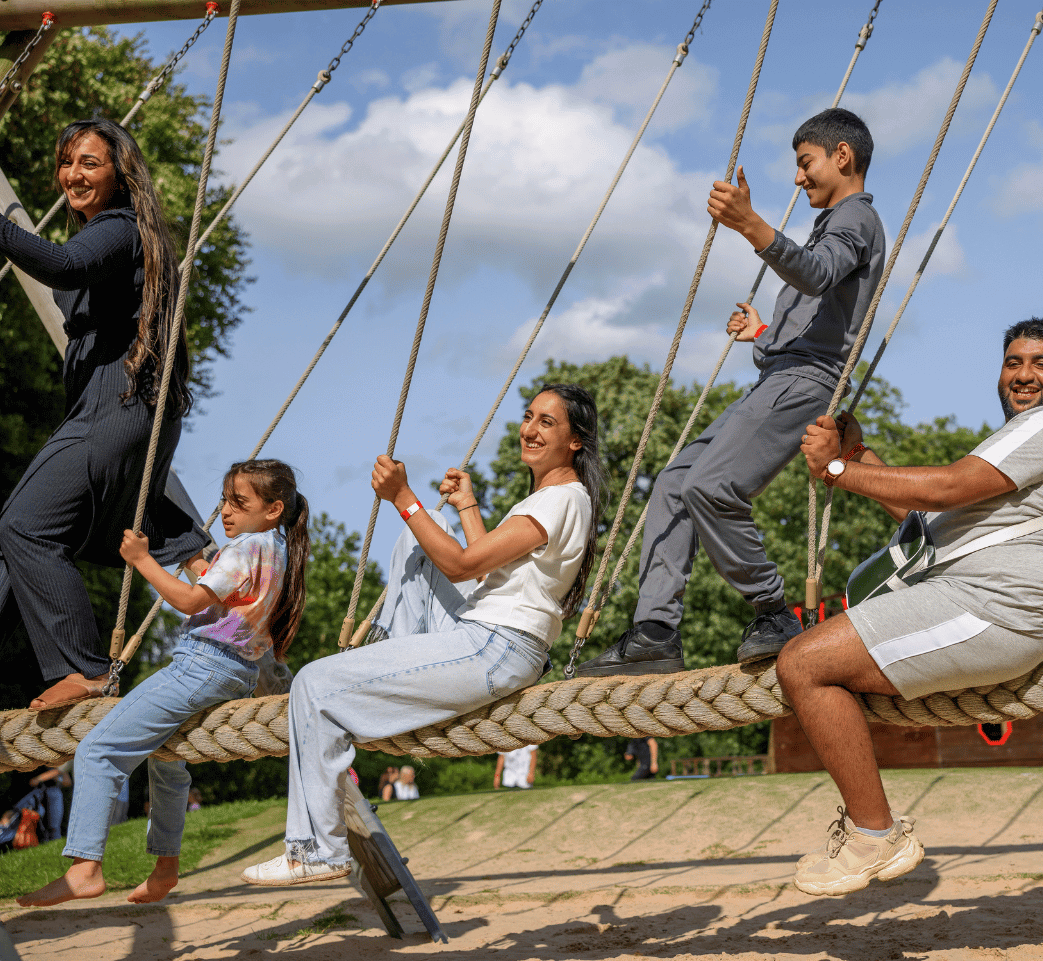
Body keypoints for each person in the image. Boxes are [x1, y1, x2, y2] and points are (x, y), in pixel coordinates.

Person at [778, 319, 1043, 896]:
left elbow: (947, 487)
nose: (1023, 375)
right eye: (1013, 362)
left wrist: (834, 469)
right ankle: (871, 828)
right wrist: (858, 452)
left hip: (988, 612)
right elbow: (924, 526)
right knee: (816, 665)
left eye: (1041, 363)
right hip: (966, 605)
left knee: (804, 663)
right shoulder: (1025, 442)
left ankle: (874, 835)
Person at [241, 384, 605, 886]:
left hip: (497, 645)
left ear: (576, 441)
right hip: (489, 634)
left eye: (547, 422)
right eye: (528, 417)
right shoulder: (549, 499)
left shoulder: (560, 499)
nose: (530, 429)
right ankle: (386, 664)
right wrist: (467, 507)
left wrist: (402, 497)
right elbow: (485, 576)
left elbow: (458, 566)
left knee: (314, 684)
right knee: (426, 529)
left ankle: (318, 850)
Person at [577, 108, 886, 676]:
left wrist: (749, 223)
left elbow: (817, 274)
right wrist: (764, 334)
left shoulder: (857, 221)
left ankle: (773, 611)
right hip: (782, 374)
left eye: (805, 163)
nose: (798, 178)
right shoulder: (832, 224)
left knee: (711, 485)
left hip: (803, 382)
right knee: (673, 483)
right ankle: (654, 629)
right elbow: (821, 312)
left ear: (842, 156)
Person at [15, 459, 309, 907]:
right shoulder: (279, 550)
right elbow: (222, 598)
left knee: (98, 750)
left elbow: (189, 599)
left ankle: (84, 868)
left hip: (202, 666)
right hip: (238, 673)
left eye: (239, 502)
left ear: (273, 509)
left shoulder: (244, 549)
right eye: (224, 500)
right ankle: (166, 867)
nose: (226, 511)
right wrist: (194, 560)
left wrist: (141, 560)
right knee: (167, 761)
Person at [0, 118, 209, 710]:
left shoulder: (119, 228)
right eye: (66, 163)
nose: (73, 175)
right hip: (117, 408)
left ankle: (83, 668)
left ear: (121, 173)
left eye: (89, 163)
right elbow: (62, 275)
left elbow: (62, 267)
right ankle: (188, 546)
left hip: (115, 406)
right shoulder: (111, 240)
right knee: (16, 544)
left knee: (25, 527)